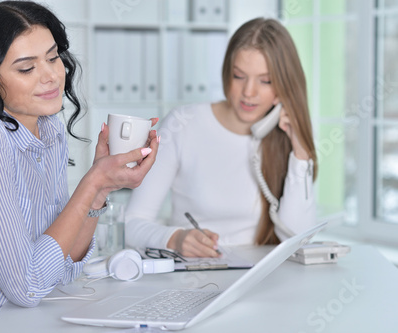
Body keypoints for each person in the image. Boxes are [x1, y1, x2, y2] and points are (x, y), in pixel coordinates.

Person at [0, 1, 159, 332]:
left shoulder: (47, 129)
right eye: (26, 68)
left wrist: (101, 190)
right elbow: (28, 285)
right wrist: (91, 183)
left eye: (53, 58)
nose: (51, 76)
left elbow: (62, 270)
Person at [125, 18, 317, 258]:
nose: (249, 92)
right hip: (193, 276)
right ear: (227, 73)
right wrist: (174, 238)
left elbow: (299, 239)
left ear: (284, 88)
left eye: (265, 81)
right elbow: (132, 224)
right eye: (239, 76)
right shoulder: (183, 124)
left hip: (262, 279)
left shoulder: (284, 135)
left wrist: (300, 154)